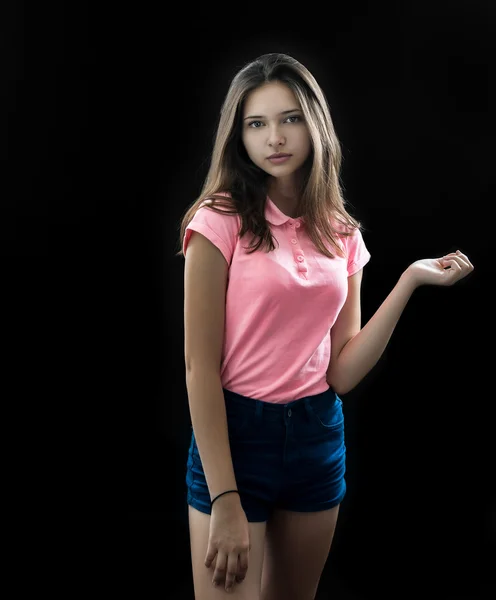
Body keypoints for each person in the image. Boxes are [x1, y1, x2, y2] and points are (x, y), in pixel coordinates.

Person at [176, 52, 474, 599]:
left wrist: (408, 281)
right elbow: (199, 368)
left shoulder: (339, 229)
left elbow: (341, 373)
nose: (275, 138)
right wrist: (225, 498)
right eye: (256, 123)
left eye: (289, 118)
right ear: (238, 135)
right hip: (236, 437)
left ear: (314, 122)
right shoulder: (217, 221)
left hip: (316, 435)